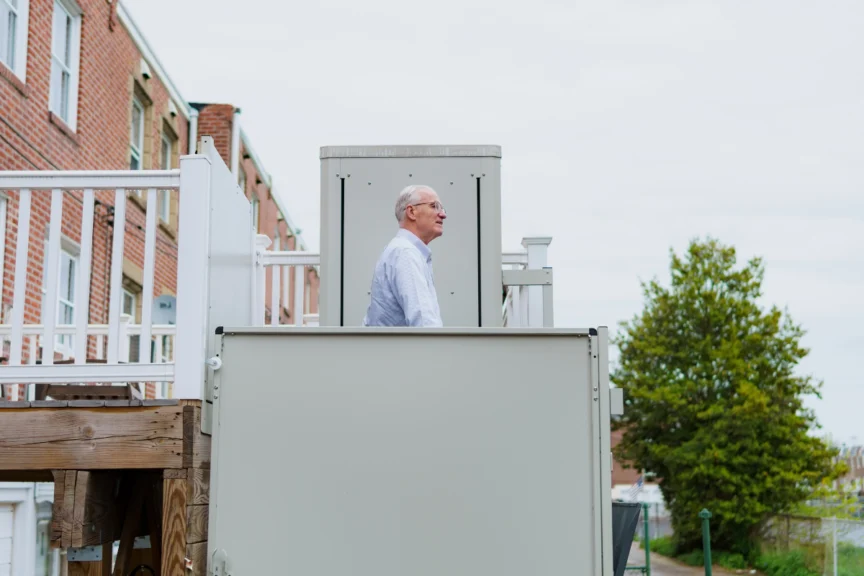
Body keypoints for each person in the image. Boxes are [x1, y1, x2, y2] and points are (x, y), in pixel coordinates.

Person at [362, 184, 447, 327]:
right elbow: (424, 323)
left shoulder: (403, 251)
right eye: (434, 206)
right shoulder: (406, 253)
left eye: (442, 208)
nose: (443, 214)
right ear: (411, 212)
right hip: (405, 349)